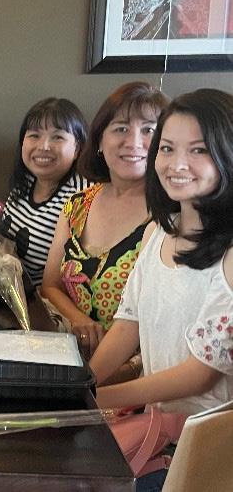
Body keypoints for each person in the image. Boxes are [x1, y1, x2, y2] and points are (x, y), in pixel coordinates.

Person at [89, 88, 233, 490]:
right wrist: (84, 384)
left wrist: (101, 398)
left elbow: (198, 376)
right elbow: (128, 324)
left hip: (210, 451)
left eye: (198, 150)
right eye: (167, 148)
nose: (176, 164)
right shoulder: (158, 231)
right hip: (159, 432)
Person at [41, 82, 169, 365]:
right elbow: (50, 286)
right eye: (121, 128)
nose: (134, 142)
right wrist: (79, 320)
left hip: (139, 373)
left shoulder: (170, 216)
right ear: (99, 140)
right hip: (74, 359)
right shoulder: (78, 204)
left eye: (149, 130)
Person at [0, 97, 90, 286]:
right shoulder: (26, 181)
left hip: (43, 300)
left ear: (77, 148)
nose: (43, 146)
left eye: (57, 137)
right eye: (34, 135)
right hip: (8, 290)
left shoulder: (81, 195)